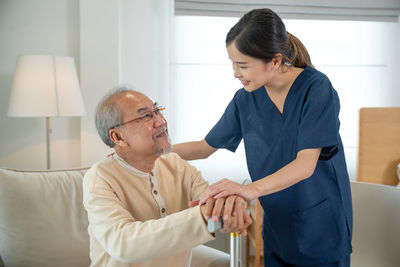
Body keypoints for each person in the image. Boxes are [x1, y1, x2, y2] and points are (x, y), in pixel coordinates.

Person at [172, 8, 352, 267]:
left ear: (276, 60)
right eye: (232, 63)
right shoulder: (245, 99)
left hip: (320, 223)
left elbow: (305, 164)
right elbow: (204, 147)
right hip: (277, 220)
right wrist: (149, 153)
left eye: (243, 65)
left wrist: (247, 191)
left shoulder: (316, 89)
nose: (235, 72)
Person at [83, 85, 251, 267]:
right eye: (146, 116)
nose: (161, 121)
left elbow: (211, 202)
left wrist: (228, 207)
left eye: (157, 111)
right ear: (118, 137)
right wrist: (202, 216)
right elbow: (123, 243)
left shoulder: (176, 164)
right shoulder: (100, 178)